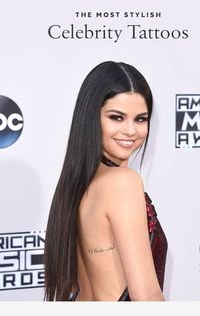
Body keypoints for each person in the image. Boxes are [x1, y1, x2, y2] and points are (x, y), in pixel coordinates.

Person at [44, 61, 168, 301]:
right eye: (117, 117)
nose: (131, 130)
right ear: (92, 117)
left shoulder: (78, 185)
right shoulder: (123, 183)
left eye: (141, 119)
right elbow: (146, 297)